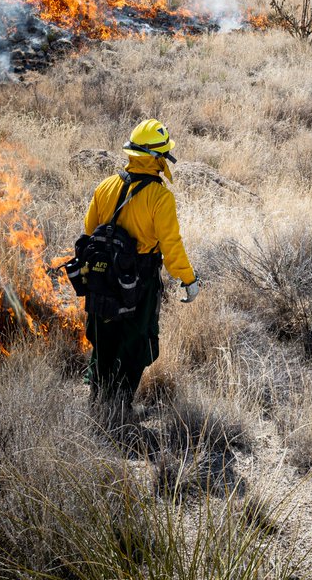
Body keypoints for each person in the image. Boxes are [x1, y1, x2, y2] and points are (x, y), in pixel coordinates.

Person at [83, 118, 199, 409]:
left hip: (101, 279)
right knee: (136, 345)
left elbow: (88, 233)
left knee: (103, 341)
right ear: (157, 158)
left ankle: (96, 403)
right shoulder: (160, 197)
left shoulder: (106, 186)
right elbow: (171, 245)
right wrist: (188, 279)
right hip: (139, 284)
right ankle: (118, 411)